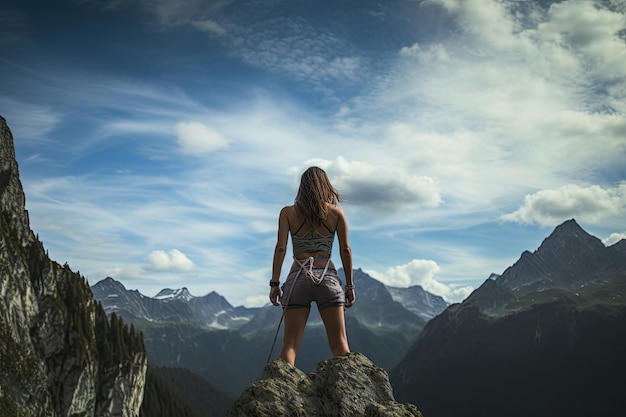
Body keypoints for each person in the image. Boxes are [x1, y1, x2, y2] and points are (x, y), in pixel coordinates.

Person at [269, 166, 355, 367]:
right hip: (328, 276)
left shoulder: (288, 213)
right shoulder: (336, 213)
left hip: (297, 276)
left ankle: (284, 390)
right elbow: (346, 250)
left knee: (289, 345)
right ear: (326, 186)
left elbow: (280, 248)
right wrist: (349, 286)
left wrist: (274, 283)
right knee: (340, 344)